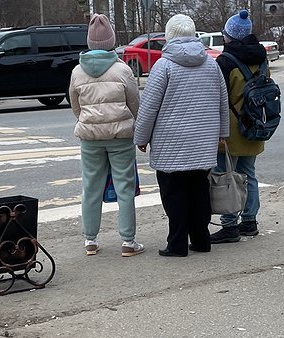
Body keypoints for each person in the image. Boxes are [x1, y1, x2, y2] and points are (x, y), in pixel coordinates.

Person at [134, 14, 229, 257]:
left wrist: (141, 138)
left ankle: (176, 244)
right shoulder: (211, 64)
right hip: (203, 142)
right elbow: (222, 102)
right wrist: (222, 133)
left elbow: (149, 107)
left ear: (169, 36)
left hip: (170, 144)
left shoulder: (163, 66)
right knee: (199, 192)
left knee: (174, 195)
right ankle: (201, 240)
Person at [69, 14, 145, 257]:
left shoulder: (77, 72)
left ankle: (90, 240)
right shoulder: (122, 70)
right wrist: (134, 126)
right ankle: (128, 242)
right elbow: (135, 103)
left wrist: (87, 121)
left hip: (90, 136)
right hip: (120, 136)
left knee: (91, 186)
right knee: (124, 186)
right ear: (112, 40)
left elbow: (75, 105)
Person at [209, 9, 268, 243]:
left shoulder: (225, 62)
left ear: (230, 36)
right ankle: (250, 222)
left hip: (231, 130)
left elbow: (218, 98)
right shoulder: (261, 57)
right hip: (254, 125)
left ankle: (229, 225)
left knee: (227, 176)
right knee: (249, 175)